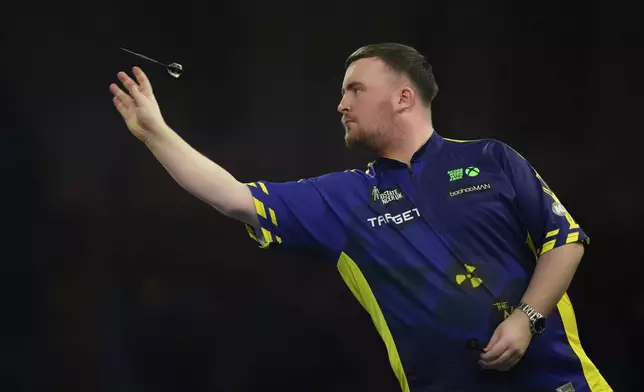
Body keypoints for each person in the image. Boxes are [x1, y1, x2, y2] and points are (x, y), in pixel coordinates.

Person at [109, 43, 612, 392]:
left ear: (403, 97)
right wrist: (155, 132)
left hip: (558, 381)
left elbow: (565, 240)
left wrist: (526, 320)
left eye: (354, 90)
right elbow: (233, 197)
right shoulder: (345, 197)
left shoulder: (493, 159)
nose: (340, 104)